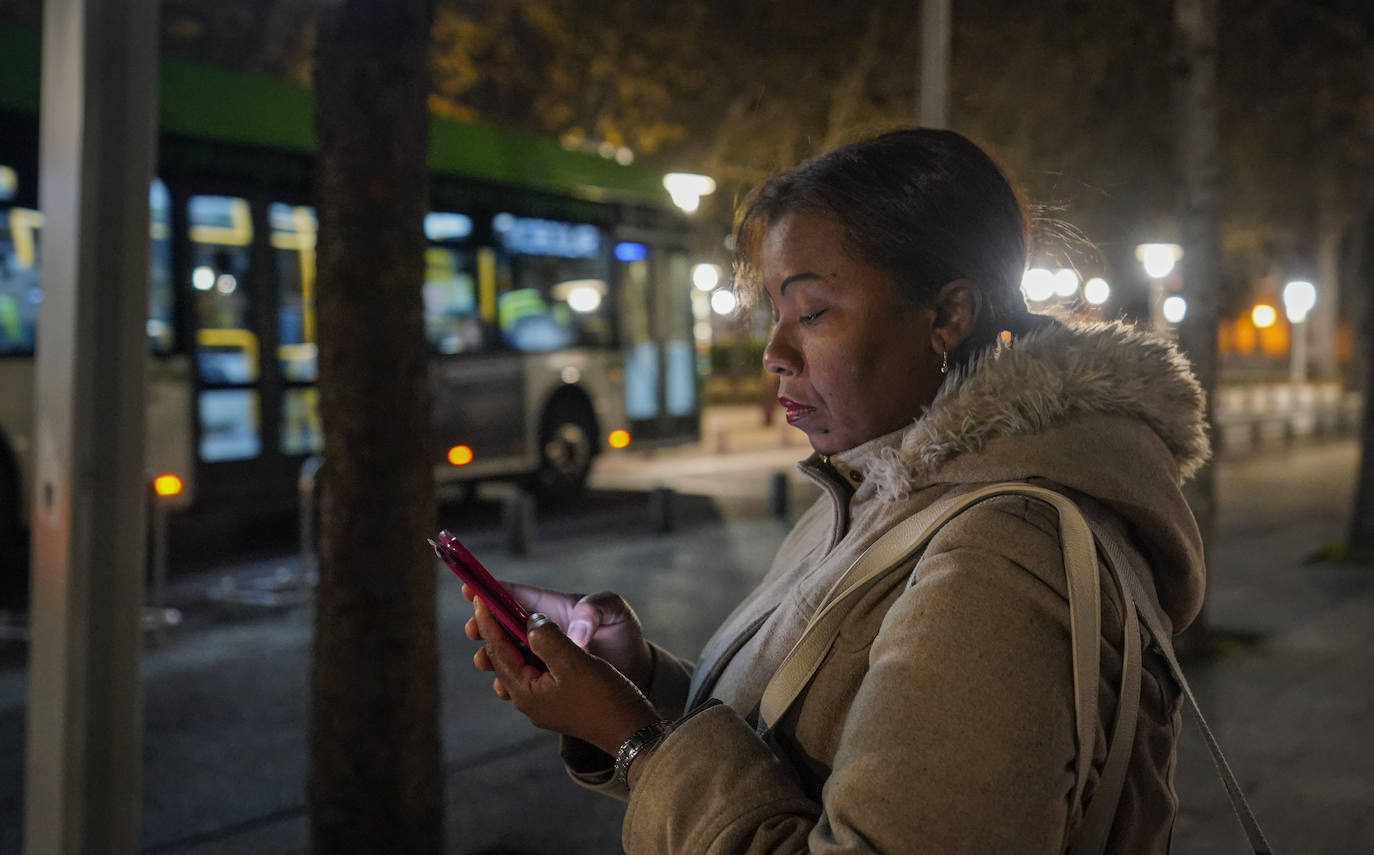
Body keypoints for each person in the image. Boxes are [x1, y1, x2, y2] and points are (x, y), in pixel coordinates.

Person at [465, 127, 1209, 853]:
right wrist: (641, 685)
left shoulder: (1004, 558)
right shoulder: (873, 489)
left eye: (813, 312)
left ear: (947, 314)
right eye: (775, 315)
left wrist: (631, 739)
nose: (774, 354)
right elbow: (793, 759)